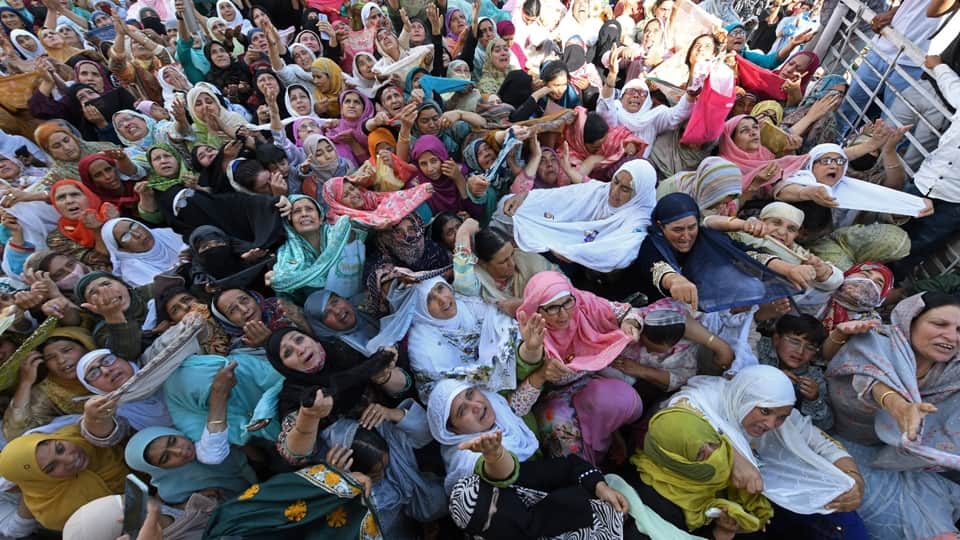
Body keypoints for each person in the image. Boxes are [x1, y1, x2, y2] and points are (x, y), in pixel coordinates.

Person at [668, 365, 868, 538]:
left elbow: (825, 445)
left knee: (840, 510)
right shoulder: (707, 400)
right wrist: (735, 458)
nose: (771, 424)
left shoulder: (786, 417)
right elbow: (677, 417)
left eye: (781, 417)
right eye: (764, 411)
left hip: (769, 501)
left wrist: (855, 479)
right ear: (745, 397)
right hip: (717, 509)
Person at [826, 292, 960, 540]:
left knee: (935, 520)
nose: (951, 337)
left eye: (959, 330)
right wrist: (899, 406)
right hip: (846, 445)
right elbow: (869, 378)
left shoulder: (954, 372)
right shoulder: (877, 342)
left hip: (911, 463)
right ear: (911, 320)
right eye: (939, 324)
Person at [517, 271, 643, 464]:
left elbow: (630, 312)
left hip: (589, 384)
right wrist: (541, 372)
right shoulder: (528, 335)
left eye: (567, 302)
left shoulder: (585, 305)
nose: (564, 314)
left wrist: (630, 323)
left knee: (620, 399)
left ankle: (608, 436)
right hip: (553, 398)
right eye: (552, 308)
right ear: (537, 310)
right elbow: (517, 406)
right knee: (564, 440)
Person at [0, 423, 128, 531]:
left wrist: (102, 429)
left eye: (60, 448)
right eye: (51, 467)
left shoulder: (78, 433)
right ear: (39, 481)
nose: (70, 459)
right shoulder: (52, 512)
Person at [124, 426, 257, 504]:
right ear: (159, 470)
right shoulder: (173, 493)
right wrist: (198, 501)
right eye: (166, 458)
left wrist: (240, 446)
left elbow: (259, 459)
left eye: (173, 441)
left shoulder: (209, 436)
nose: (179, 451)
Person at [756, 313, 834, 430]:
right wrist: (772, 377)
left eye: (810, 347)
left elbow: (825, 426)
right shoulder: (758, 348)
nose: (800, 351)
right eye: (794, 342)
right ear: (776, 339)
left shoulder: (813, 377)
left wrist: (814, 399)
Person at [99, 217, 185, 287]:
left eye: (134, 226)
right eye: (126, 236)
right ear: (122, 250)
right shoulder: (132, 271)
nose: (137, 235)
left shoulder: (166, 233)